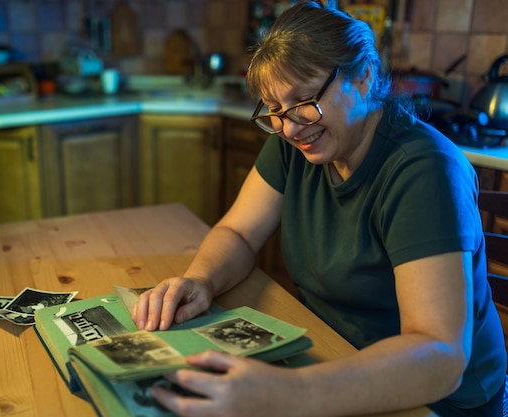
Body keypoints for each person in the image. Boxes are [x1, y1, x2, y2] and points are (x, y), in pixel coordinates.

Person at [132, 2, 507, 416]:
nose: (289, 127)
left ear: (363, 77)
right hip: (335, 360)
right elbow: (238, 232)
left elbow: (440, 355)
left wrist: (288, 394)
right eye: (274, 108)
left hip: (437, 402)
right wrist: (201, 280)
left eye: (304, 99)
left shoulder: (425, 172)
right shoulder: (299, 142)